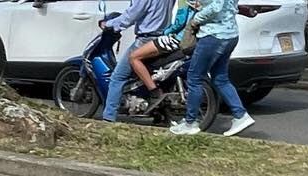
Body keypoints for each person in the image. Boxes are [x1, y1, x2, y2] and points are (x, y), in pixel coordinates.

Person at [170, 0, 255, 137]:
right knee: (220, 78)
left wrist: (196, 19)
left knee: (194, 78)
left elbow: (216, 6)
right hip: (230, 33)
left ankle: (190, 122)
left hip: (213, 35)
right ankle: (240, 115)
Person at [100, 0, 180, 123]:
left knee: (118, 77)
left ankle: (109, 117)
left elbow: (131, 15)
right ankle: (159, 114)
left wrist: (109, 24)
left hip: (146, 39)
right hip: (162, 38)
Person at [127, 1, 194, 106]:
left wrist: (167, 32)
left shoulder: (183, 1)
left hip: (177, 39)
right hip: (190, 40)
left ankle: (154, 91)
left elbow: (180, 21)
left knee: (134, 57)